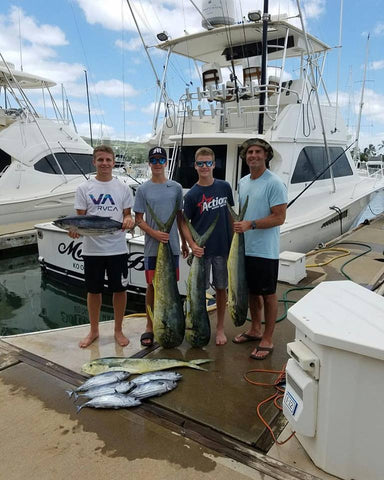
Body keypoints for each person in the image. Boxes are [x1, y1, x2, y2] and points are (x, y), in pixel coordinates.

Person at [71, 144, 135, 348]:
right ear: (94, 162)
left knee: (119, 291)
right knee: (93, 291)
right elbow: (79, 221)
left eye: (108, 160)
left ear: (114, 162)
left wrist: (129, 220)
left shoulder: (123, 187)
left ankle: (118, 330)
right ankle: (94, 331)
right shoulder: (83, 188)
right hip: (92, 251)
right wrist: (73, 230)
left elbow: (127, 214)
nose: (105, 163)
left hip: (117, 249)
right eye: (100, 160)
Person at [232, 138, 287, 359]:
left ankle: (268, 338)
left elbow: (280, 217)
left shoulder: (274, 183)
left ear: (266, 155)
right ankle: (255, 329)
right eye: (249, 152)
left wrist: (251, 224)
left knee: (269, 294)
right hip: (245, 248)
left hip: (265, 250)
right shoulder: (243, 182)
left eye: (257, 152)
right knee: (253, 293)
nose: (253, 155)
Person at [133, 146, 188, 347]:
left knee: (171, 287)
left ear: (166, 162)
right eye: (154, 160)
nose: (157, 164)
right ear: (149, 163)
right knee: (151, 286)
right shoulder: (143, 189)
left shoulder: (176, 187)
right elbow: (139, 219)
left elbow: (180, 218)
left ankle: (170, 322)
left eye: (160, 160)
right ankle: (150, 325)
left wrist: (184, 243)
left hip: (172, 247)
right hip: (152, 248)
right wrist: (155, 233)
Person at [183, 147, 234, 346]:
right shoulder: (192, 195)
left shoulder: (224, 187)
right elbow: (184, 223)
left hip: (223, 248)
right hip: (201, 253)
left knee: (222, 289)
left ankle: (220, 328)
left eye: (208, 163)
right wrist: (192, 244)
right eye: (201, 163)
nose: (205, 167)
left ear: (214, 164)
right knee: (198, 292)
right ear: (195, 166)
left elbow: (230, 214)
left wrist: (234, 241)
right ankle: (200, 326)